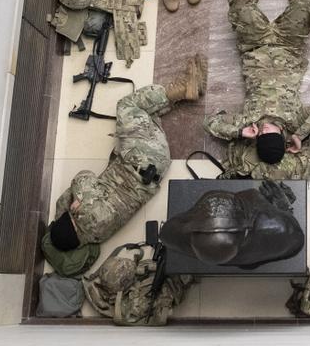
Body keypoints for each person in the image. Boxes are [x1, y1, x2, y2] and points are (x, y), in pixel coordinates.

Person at [42, 60, 207, 274]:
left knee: (145, 116)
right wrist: (76, 201)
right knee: (127, 106)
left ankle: (186, 89)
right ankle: (185, 88)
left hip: (153, 169)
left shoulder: (97, 236)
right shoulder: (85, 212)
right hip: (141, 157)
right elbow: (83, 177)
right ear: (69, 222)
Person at [205, 0, 310, 179]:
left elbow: (209, 123)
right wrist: (300, 134)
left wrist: (239, 132)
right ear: (282, 134)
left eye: (261, 135)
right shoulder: (295, 121)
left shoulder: (247, 123)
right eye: (268, 133)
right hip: (289, 45)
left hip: (254, 44)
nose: (263, 130)